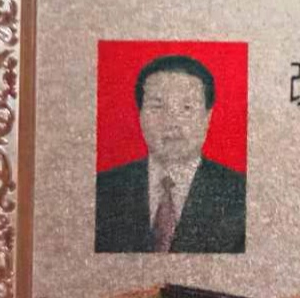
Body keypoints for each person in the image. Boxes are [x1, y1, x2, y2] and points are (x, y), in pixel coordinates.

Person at [95, 54, 245, 253]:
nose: (172, 122)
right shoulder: (102, 189)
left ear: (208, 117)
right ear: (140, 115)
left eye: (187, 108)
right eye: (157, 107)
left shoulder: (241, 194)